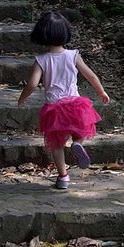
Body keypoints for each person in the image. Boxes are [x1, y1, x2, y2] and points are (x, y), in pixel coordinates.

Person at [18, 11, 110, 189]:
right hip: (75, 104)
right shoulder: (73, 55)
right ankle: (77, 144)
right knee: (80, 131)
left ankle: (63, 177)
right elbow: (90, 76)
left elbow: (32, 84)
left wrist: (22, 98)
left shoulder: (41, 60)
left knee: (56, 144)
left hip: (54, 108)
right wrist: (101, 91)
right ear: (65, 33)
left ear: (41, 33)